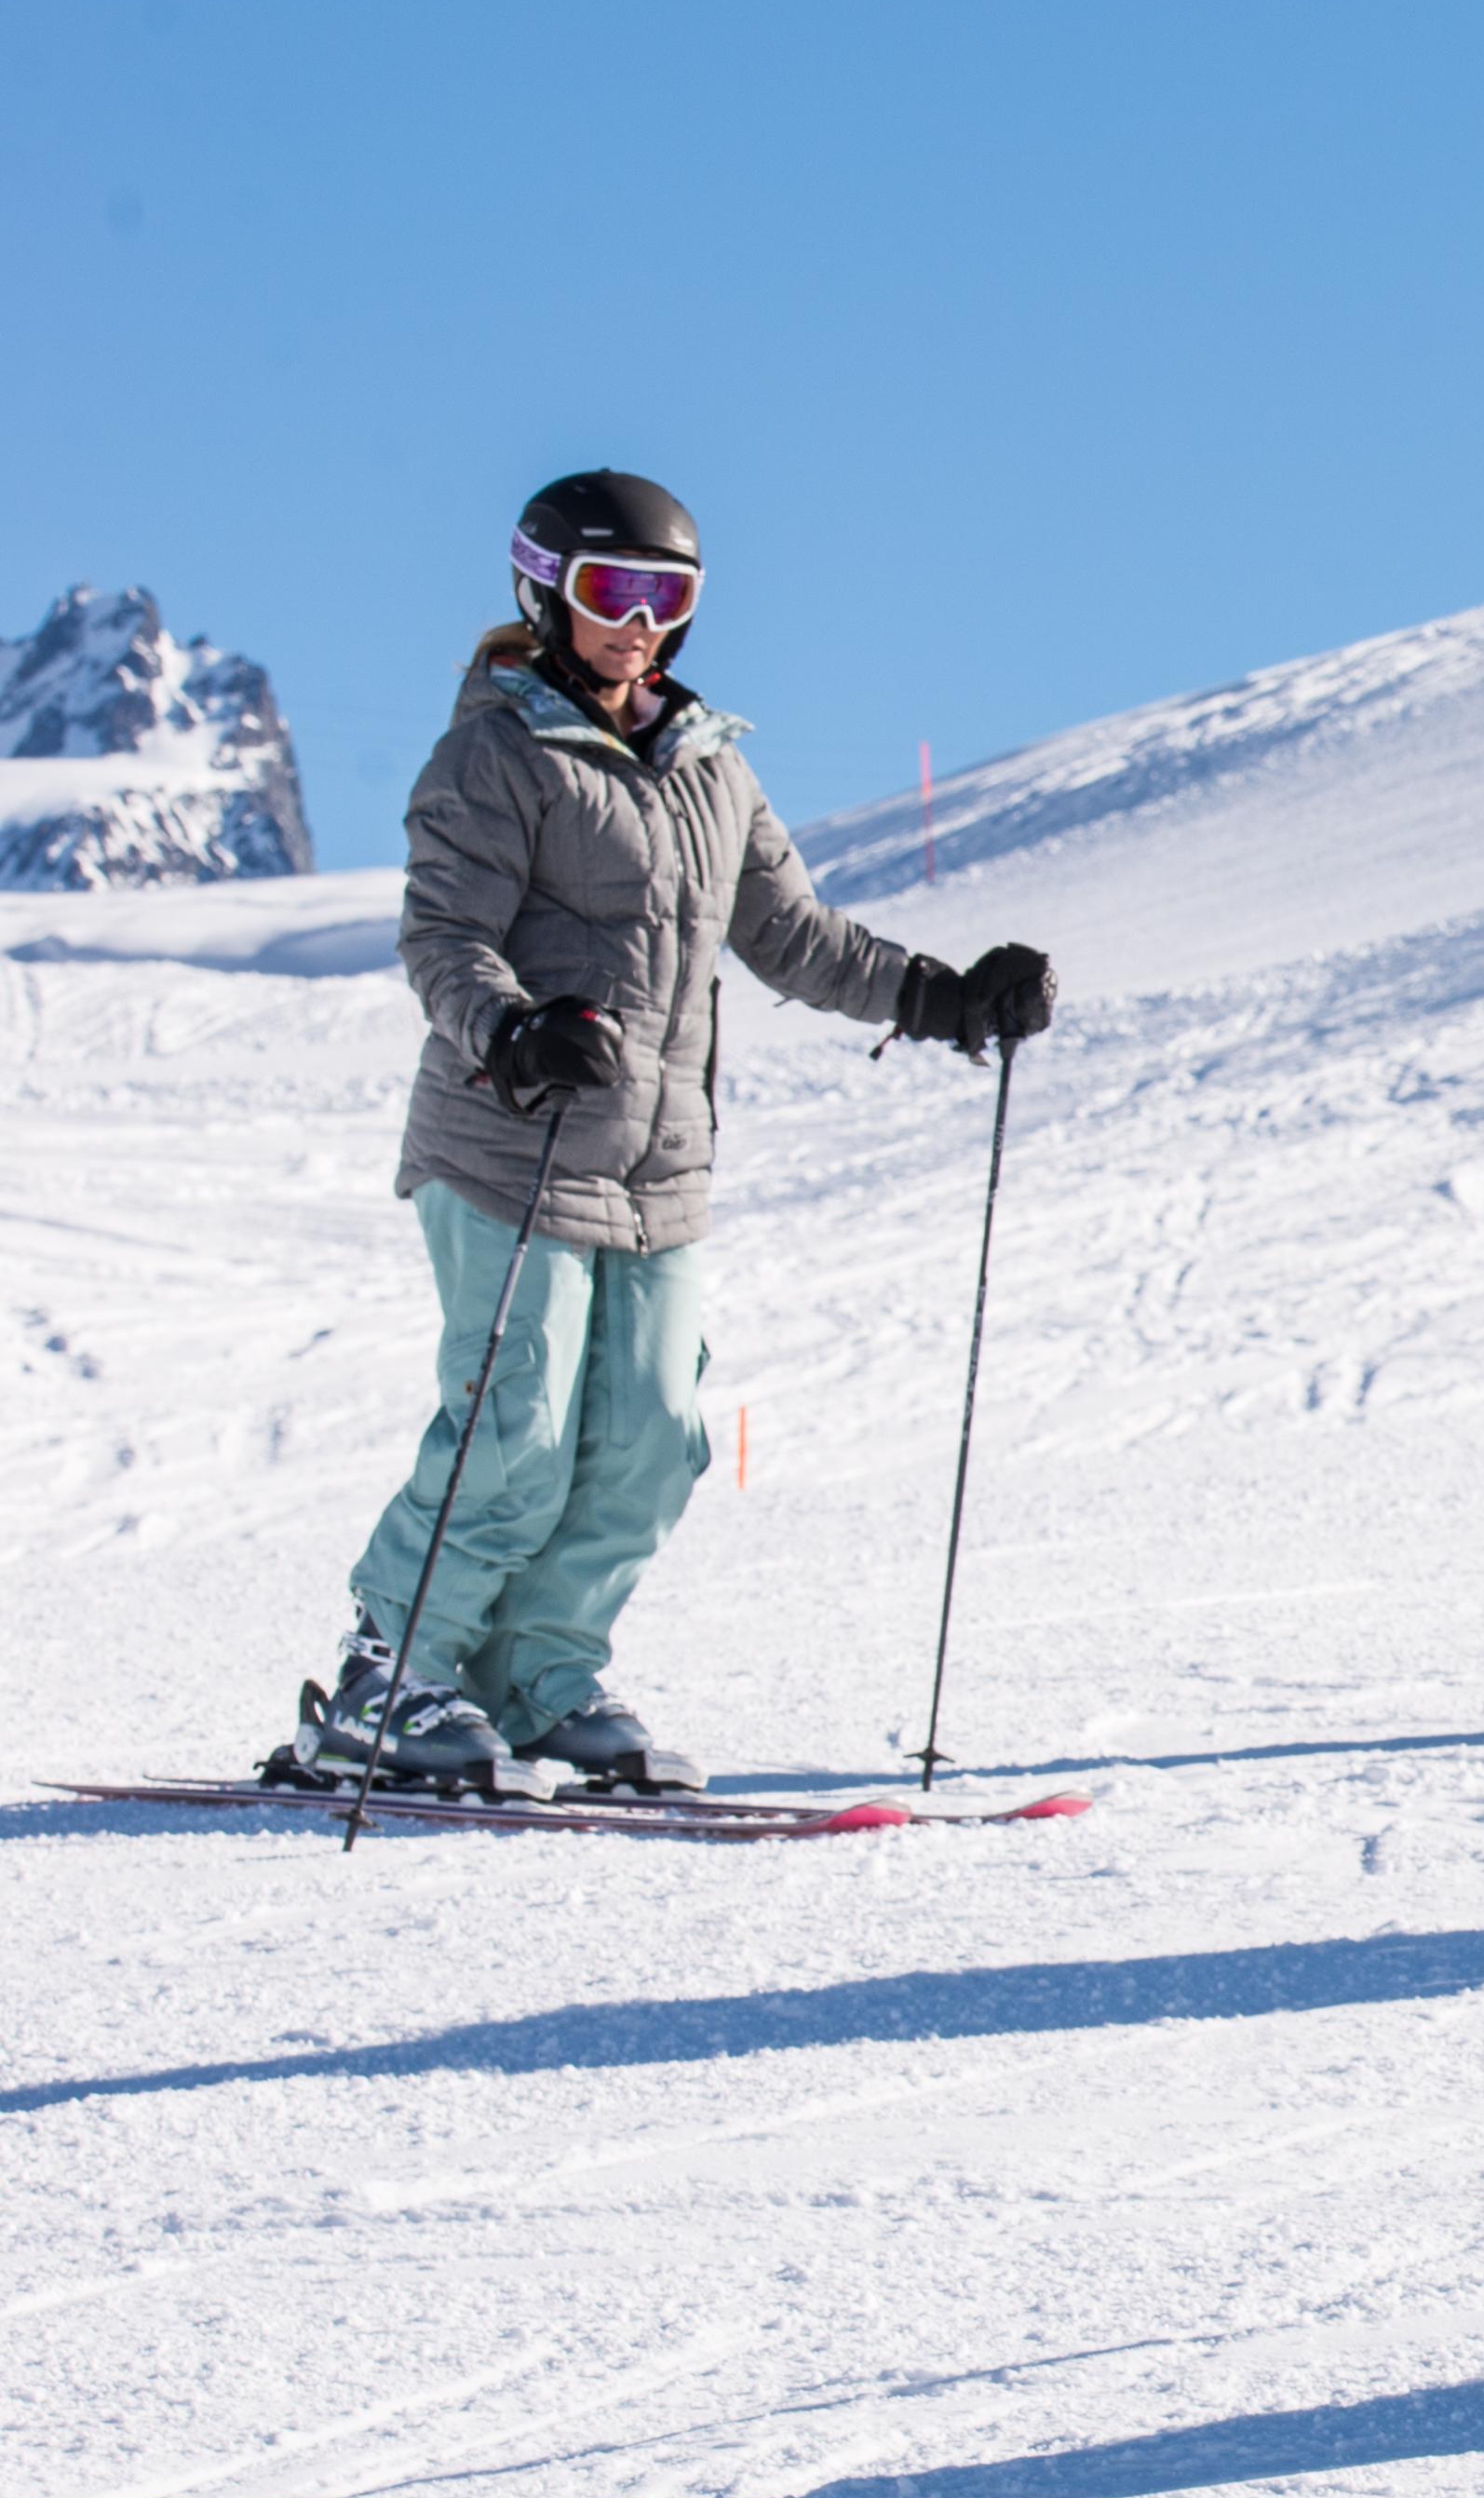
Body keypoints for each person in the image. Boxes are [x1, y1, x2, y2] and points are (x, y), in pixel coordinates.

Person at [300, 469, 1059, 1795]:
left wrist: (942, 998)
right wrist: (513, 1030)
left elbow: (797, 939)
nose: (639, 622)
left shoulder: (710, 767)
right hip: (511, 1141)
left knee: (655, 1433)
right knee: (514, 1426)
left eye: (669, 596)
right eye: (612, 592)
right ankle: (388, 1674)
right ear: (545, 591)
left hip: (659, 1171)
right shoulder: (495, 751)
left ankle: (540, 1672)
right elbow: (444, 939)